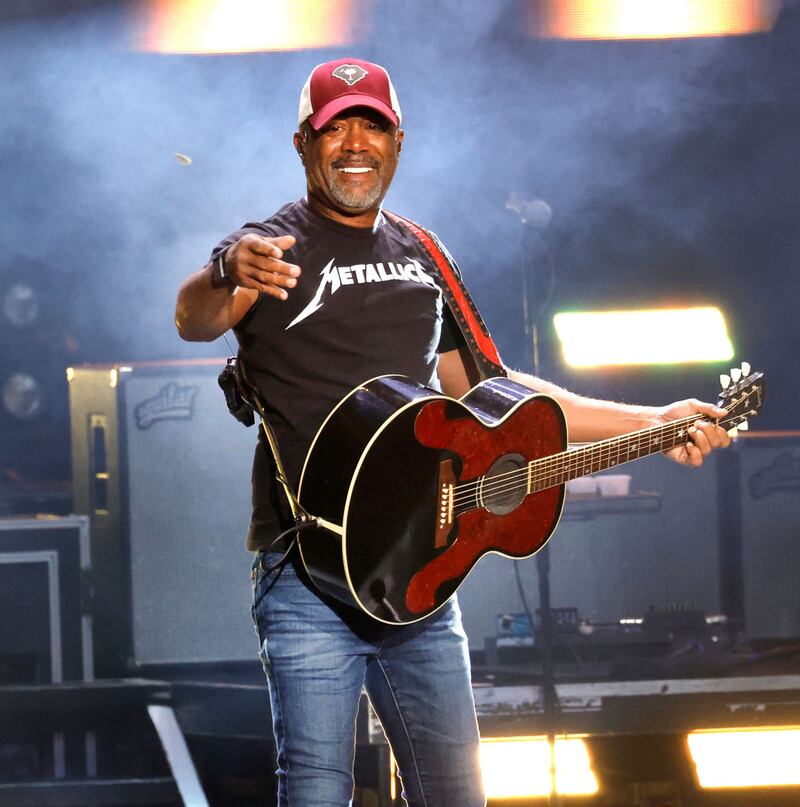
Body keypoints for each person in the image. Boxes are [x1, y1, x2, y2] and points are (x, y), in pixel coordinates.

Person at [175, 57, 731, 807]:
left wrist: (653, 421)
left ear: (398, 141)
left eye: (371, 125)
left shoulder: (424, 255)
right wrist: (221, 269)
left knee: (457, 794)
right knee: (314, 794)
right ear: (304, 144)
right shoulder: (269, 249)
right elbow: (193, 319)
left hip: (422, 579)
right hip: (307, 578)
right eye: (335, 127)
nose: (355, 144)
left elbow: (499, 393)